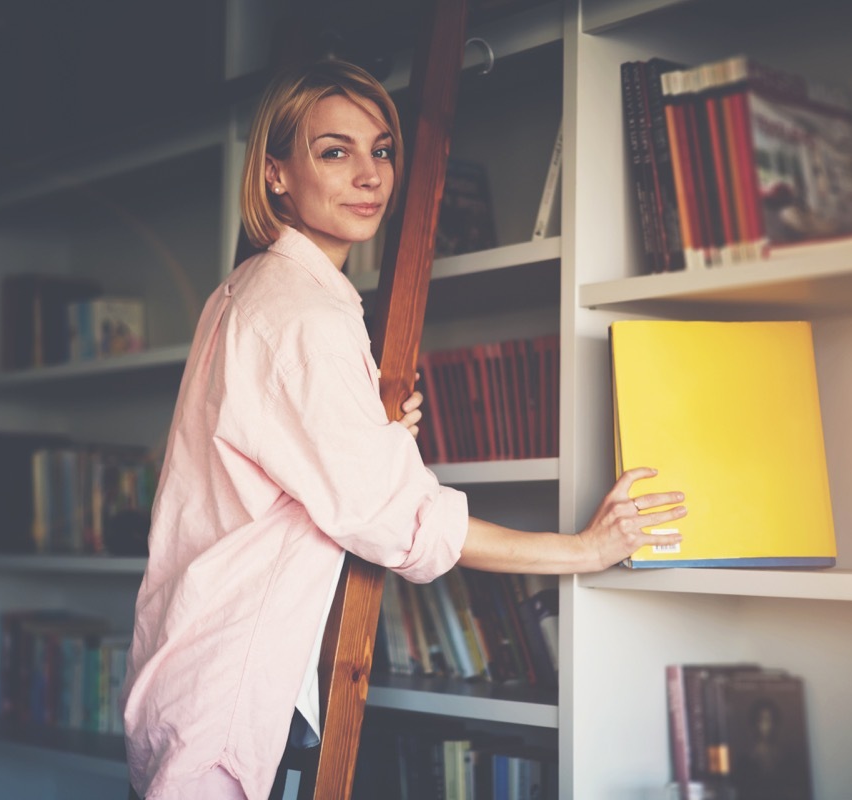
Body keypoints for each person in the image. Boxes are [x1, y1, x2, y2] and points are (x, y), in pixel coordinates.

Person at [121, 59, 686, 800]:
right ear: (275, 174)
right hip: (229, 692)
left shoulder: (246, 290)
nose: (370, 175)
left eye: (382, 150)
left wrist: (372, 430)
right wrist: (583, 550)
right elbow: (402, 522)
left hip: (188, 671)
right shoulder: (304, 316)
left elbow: (281, 456)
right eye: (335, 151)